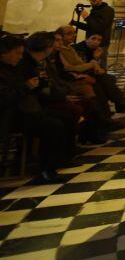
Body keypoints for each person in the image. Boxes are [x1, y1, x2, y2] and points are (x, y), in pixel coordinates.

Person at [0, 34, 73, 183]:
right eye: (18, 53)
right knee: (53, 126)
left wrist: (35, 85)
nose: (20, 57)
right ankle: (46, 170)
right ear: (4, 53)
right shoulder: (5, 71)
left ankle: (54, 162)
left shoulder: (11, 68)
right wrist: (26, 87)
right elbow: (5, 98)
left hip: (18, 111)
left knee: (61, 119)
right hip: (8, 117)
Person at [74, 32, 125, 114]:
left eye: (99, 40)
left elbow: (98, 68)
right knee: (105, 80)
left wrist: (99, 67)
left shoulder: (96, 50)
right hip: (79, 74)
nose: (96, 42)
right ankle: (117, 104)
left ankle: (110, 108)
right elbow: (82, 66)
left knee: (106, 80)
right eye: (93, 38)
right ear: (86, 39)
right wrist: (95, 58)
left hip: (90, 74)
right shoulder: (79, 48)